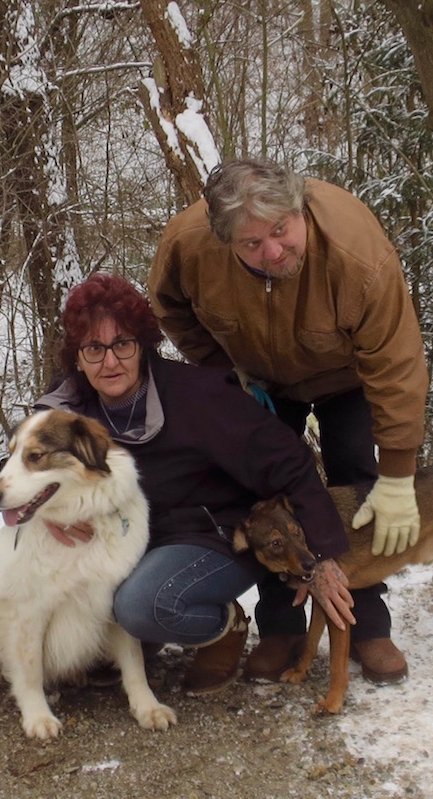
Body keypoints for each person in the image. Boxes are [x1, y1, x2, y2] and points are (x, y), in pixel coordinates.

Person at [148, 157, 429, 685]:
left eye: (281, 230)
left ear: (300, 208)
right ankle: (281, 626)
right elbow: (169, 308)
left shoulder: (357, 255)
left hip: (347, 377)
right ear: (225, 241)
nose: (273, 251)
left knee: (354, 483)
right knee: (263, 495)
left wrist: (397, 474)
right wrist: (221, 369)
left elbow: (398, 363)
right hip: (259, 379)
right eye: (252, 244)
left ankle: (367, 621)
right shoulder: (188, 246)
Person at [34, 272, 355, 696]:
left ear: (143, 346)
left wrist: (322, 552)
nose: (110, 362)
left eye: (122, 344)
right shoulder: (67, 407)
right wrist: (41, 507)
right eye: (94, 348)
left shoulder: (199, 396)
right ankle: (141, 638)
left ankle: (223, 627)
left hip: (214, 535)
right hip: (131, 541)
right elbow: (20, 468)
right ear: (77, 356)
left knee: (142, 604)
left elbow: (289, 460)